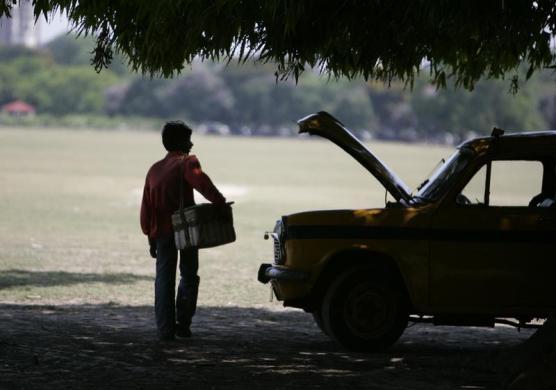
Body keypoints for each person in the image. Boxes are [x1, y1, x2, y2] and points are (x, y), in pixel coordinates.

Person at [140, 121, 226, 341]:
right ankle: (182, 324)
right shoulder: (188, 163)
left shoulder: (154, 169)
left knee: (163, 280)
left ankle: (165, 330)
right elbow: (203, 184)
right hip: (186, 229)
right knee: (188, 275)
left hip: (160, 232)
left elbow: (146, 207)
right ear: (180, 142)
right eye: (188, 139)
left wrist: (150, 236)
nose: (191, 143)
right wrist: (221, 203)